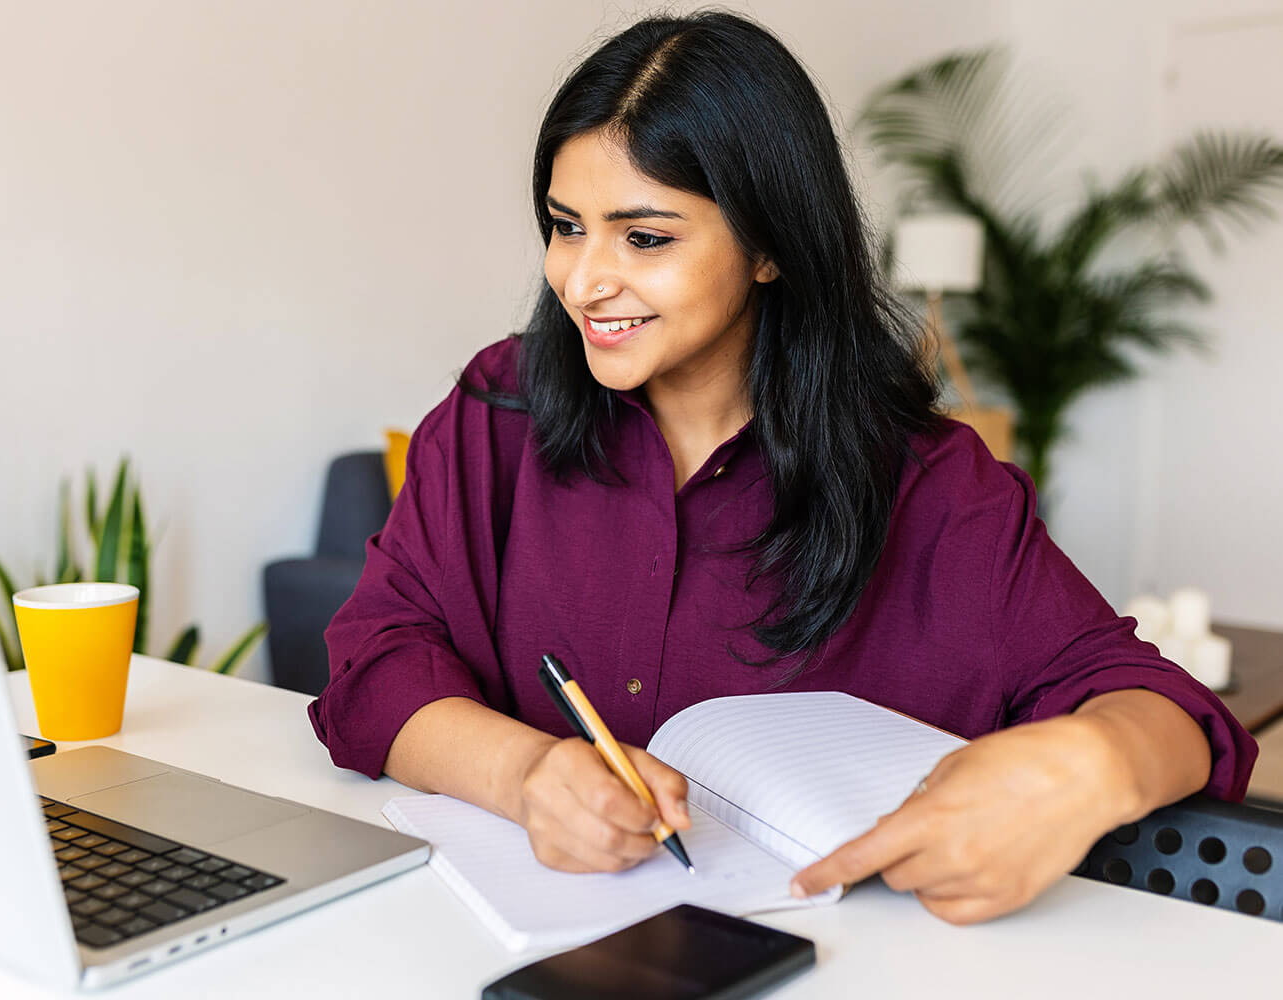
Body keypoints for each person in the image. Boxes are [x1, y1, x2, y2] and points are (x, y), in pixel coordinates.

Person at [308, 10, 1256, 925]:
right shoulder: (500, 409)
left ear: (768, 245)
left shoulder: (930, 483)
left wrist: (1087, 767)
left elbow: (1162, 709)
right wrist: (524, 775)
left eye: (645, 237)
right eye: (566, 225)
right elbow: (376, 662)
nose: (584, 280)